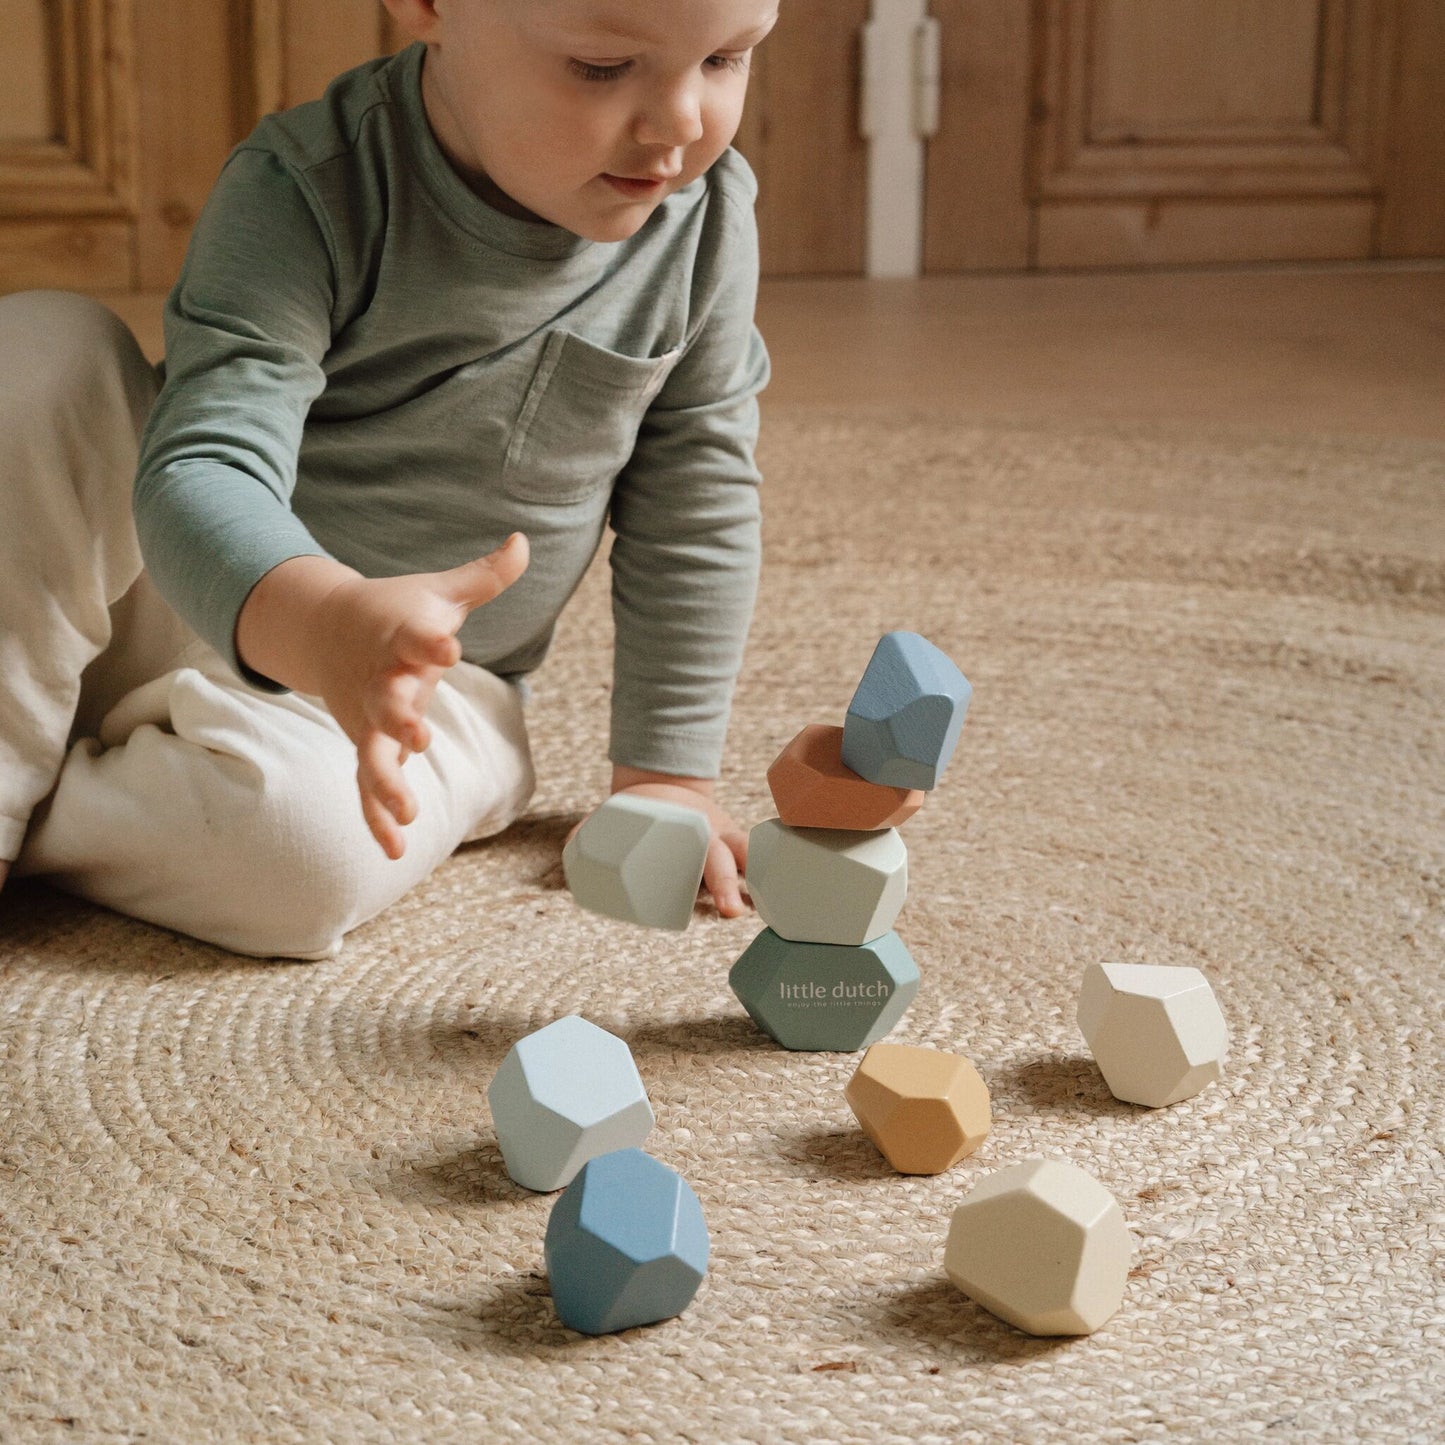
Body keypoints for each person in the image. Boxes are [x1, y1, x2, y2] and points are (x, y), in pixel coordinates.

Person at [0, 0, 779, 959]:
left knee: (303, 859)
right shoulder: (311, 186)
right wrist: (323, 620)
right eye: (601, 67)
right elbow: (206, 462)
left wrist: (667, 777)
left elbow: (697, 500)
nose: (682, 122)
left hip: (435, 685)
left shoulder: (702, 225)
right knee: (40, 347)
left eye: (726, 59)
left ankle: (40, 764)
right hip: (176, 586)